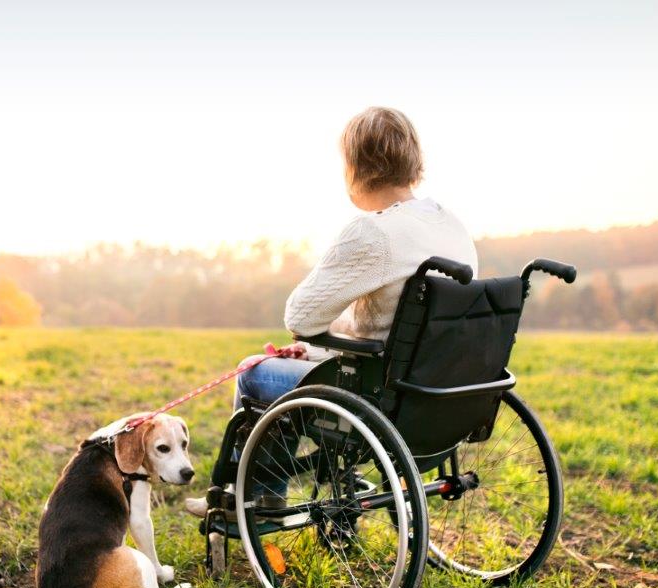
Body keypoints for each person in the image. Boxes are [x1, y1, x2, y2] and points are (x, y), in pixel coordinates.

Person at [184, 106, 478, 517]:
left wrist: (314, 345)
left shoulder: (373, 232)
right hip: (437, 394)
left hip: (375, 396)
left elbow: (300, 318)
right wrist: (318, 352)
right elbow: (393, 325)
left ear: (356, 166)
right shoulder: (451, 226)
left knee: (253, 372)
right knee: (306, 363)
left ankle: (255, 496)